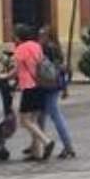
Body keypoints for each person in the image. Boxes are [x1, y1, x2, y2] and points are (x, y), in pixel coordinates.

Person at [4, 23, 54, 161]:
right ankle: (36, 153)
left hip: (29, 87)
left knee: (25, 120)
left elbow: (17, 71)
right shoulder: (36, 45)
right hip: (41, 84)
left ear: (18, 37)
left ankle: (46, 141)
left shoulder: (20, 49)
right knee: (34, 120)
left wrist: (5, 77)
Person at [37, 26, 75, 159]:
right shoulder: (57, 48)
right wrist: (65, 88)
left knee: (53, 115)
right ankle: (39, 146)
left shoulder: (46, 49)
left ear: (48, 36)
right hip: (55, 85)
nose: (39, 38)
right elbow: (62, 70)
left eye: (42, 35)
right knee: (42, 116)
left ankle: (67, 146)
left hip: (47, 86)